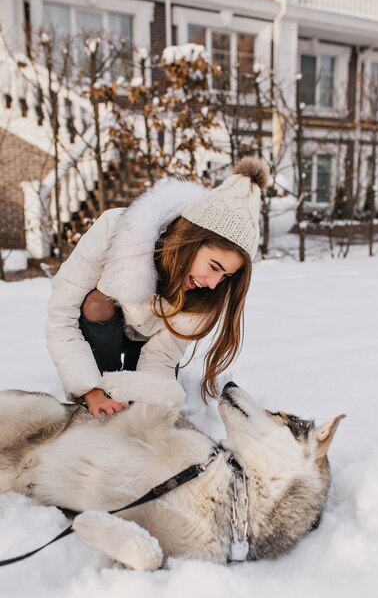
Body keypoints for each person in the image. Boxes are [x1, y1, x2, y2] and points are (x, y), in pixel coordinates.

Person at [45, 157, 268, 417]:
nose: (214, 283)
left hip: (150, 344)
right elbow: (61, 316)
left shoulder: (209, 292)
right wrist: (91, 390)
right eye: (214, 267)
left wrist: (145, 400)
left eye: (226, 276)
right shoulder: (115, 229)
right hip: (104, 330)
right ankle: (103, 387)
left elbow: (162, 355)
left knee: (148, 409)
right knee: (97, 302)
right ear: (189, 240)